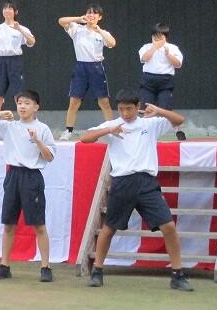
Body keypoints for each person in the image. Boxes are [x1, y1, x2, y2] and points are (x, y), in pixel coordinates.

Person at [80, 89, 193, 291]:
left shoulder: (150, 124)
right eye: (121, 109)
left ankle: (177, 274)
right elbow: (85, 138)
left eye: (129, 109)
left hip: (147, 183)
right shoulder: (112, 125)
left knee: (168, 226)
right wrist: (108, 130)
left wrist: (159, 110)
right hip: (122, 182)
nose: (125, 113)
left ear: (138, 106)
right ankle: (97, 270)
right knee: (109, 228)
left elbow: (179, 120)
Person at [0, 90, 55, 282]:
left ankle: (45, 266)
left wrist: (38, 141)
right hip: (13, 175)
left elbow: (50, 157)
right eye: (20, 103)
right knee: (9, 223)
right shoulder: (9, 126)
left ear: (36, 107)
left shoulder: (43, 128)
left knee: (39, 224)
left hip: (32, 176)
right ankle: (4, 265)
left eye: (27, 103)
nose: (22, 106)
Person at [58, 5, 116, 140]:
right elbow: (61, 21)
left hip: (96, 67)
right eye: (89, 13)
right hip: (81, 67)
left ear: (100, 17)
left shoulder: (102, 32)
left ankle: (112, 129)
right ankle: (68, 130)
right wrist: (78, 19)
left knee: (104, 101)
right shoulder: (77, 29)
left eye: (95, 13)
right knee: (74, 101)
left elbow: (112, 43)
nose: (91, 15)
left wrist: (99, 30)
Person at [138, 23, 185, 141]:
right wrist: (154, 47)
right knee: (145, 107)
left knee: (166, 108)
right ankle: (143, 133)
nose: (158, 39)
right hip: (148, 80)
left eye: (161, 36)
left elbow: (178, 64)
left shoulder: (173, 48)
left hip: (165, 81)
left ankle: (179, 130)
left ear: (166, 37)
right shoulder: (146, 47)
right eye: (155, 36)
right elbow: (144, 58)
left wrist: (168, 54)